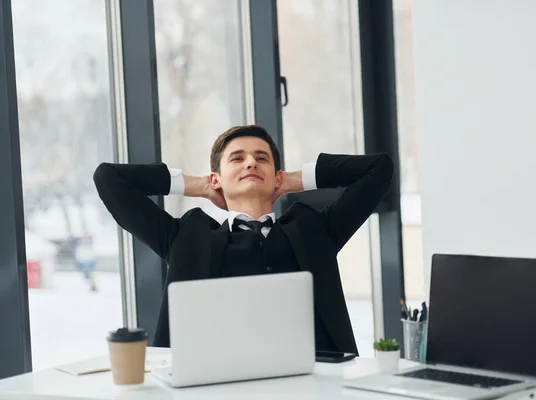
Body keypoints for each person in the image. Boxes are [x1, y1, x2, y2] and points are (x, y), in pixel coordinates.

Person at [93, 125, 393, 354]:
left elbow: (378, 168)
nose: (250, 163)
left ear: (277, 177)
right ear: (216, 179)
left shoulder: (315, 230)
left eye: (261, 158)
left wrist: (295, 180)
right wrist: (197, 185)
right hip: (218, 384)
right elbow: (108, 178)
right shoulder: (187, 238)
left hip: (313, 383)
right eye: (237, 158)